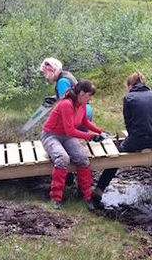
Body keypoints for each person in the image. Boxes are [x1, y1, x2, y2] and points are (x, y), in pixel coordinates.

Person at [92, 72, 152, 203]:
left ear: (130, 85)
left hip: (136, 140)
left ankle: (99, 189)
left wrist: (134, 140)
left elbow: (128, 122)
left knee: (116, 158)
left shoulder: (128, 98)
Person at [41, 80, 105, 209]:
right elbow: (70, 130)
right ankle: (56, 198)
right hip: (51, 135)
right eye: (89, 95)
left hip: (67, 137)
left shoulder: (81, 104)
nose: (90, 98)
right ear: (82, 93)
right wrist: (91, 136)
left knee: (82, 159)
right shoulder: (66, 104)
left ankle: (86, 196)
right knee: (62, 158)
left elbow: (85, 122)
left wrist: (100, 131)